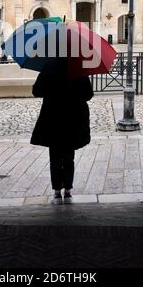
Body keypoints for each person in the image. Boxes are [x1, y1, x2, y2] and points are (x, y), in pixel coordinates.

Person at [31, 58, 93, 204]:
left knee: (55, 156)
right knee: (69, 156)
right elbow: (88, 94)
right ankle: (68, 191)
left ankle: (57, 192)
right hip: (72, 117)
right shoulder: (78, 68)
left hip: (53, 116)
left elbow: (36, 91)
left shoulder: (49, 67)